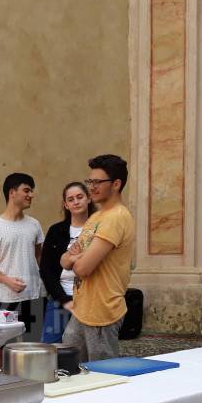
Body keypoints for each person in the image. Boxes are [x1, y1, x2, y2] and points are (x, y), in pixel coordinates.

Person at [60, 154, 133, 362]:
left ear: (116, 184)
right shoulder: (96, 217)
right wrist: (78, 258)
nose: (91, 187)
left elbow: (83, 269)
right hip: (82, 309)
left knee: (102, 378)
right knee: (69, 370)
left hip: (102, 313)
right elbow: (64, 261)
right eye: (89, 181)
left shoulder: (116, 217)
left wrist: (78, 258)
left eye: (97, 182)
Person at [0, 173, 44, 336]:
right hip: (5, 297)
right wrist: (8, 281)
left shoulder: (34, 225)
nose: (31, 195)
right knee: (2, 345)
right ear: (12, 192)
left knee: (32, 344)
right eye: (26, 190)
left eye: (31, 191)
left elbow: (38, 258)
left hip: (34, 296)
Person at [38, 181, 96, 344]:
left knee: (84, 348)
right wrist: (64, 300)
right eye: (71, 199)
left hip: (90, 299)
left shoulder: (99, 229)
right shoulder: (56, 231)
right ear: (66, 205)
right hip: (60, 298)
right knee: (50, 346)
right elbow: (46, 270)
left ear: (89, 199)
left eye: (80, 197)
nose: (76, 202)